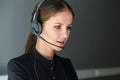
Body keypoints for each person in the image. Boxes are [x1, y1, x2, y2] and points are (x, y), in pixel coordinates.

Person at [7, 0, 78, 80]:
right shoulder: (18, 66)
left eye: (68, 28)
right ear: (37, 27)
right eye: (57, 27)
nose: (65, 35)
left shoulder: (66, 65)